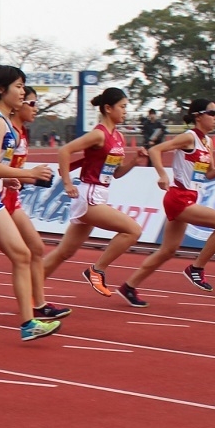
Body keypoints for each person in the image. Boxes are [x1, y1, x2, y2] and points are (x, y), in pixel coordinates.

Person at [0, 86, 73, 323]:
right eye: (30, 102)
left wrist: (20, 178)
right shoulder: (1, 126)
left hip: (3, 199)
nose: (33, 107)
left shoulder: (16, 131)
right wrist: (26, 173)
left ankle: (34, 311)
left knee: (29, 250)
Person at [119, 99, 215, 304]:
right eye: (212, 113)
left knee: (168, 251)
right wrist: (162, 175)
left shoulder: (207, 142)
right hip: (179, 198)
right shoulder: (188, 137)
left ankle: (129, 287)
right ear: (198, 116)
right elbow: (155, 150)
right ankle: (196, 268)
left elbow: (206, 174)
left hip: (190, 196)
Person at [41, 87, 147, 295]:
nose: (126, 111)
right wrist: (67, 183)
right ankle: (97, 270)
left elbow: (115, 174)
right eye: (122, 107)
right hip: (89, 195)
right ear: (108, 108)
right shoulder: (98, 134)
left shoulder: (118, 137)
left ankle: (29, 287)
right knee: (132, 230)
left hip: (100, 192)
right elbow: (65, 150)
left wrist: (135, 160)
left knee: (65, 251)